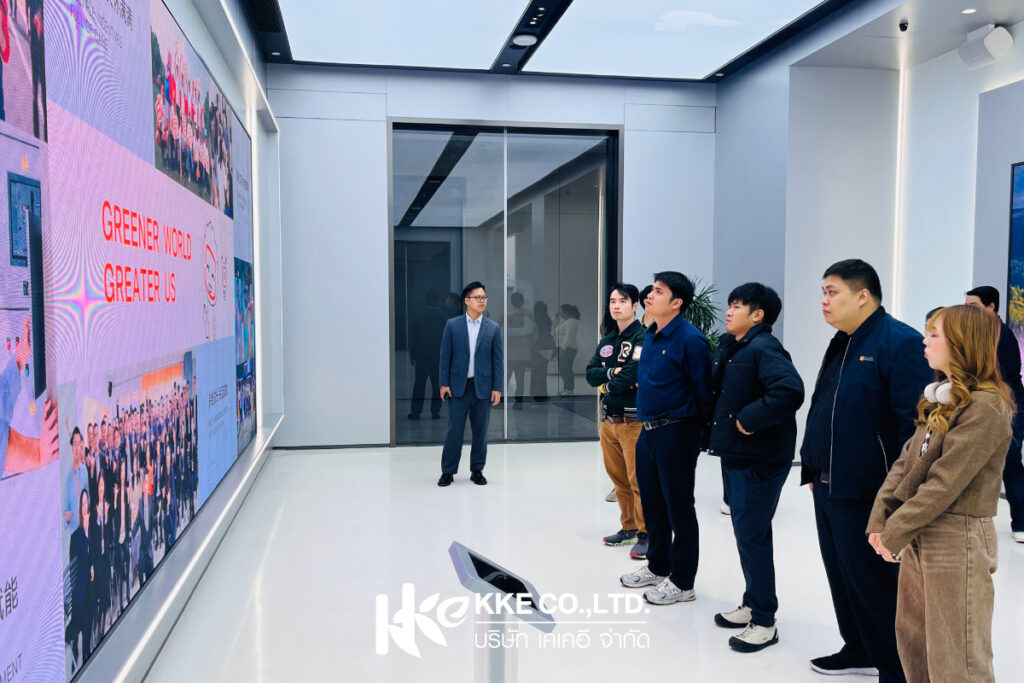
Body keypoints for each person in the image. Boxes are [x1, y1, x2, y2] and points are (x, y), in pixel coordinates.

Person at [800, 259, 932, 681]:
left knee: (875, 583)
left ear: (862, 296)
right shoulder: (843, 341)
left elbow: (912, 430)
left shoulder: (899, 343)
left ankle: (896, 667)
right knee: (843, 577)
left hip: (869, 490)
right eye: (822, 292)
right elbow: (827, 407)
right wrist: (812, 467)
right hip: (829, 485)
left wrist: (897, 497)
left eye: (832, 292)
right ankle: (858, 648)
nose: (824, 301)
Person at [867, 305, 1013, 683]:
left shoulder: (986, 407)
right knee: (915, 646)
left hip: (957, 539)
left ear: (962, 344)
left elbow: (944, 483)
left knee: (957, 659)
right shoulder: (941, 399)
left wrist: (896, 529)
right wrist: (881, 518)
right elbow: (907, 463)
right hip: (923, 532)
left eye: (935, 334)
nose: (925, 340)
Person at [706, 283, 803, 652]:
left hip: (760, 458)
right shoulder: (735, 346)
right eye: (730, 305)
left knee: (753, 536)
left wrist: (748, 419)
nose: (729, 311)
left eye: (737, 306)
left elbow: (789, 391)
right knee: (746, 534)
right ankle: (752, 603)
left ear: (758, 314)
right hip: (739, 453)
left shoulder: (764, 347)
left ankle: (764, 620)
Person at [619, 272, 712, 606]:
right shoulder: (651, 334)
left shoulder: (691, 341)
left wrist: (694, 436)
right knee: (652, 503)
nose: (649, 295)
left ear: (677, 303)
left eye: (658, 292)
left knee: (678, 508)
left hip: (677, 431)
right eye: (652, 289)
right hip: (648, 431)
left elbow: (704, 393)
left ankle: (683, 582)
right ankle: (658, 566)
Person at [586, 283, 648, 557]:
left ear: (635, 305)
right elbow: (590, 373)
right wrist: (613, 374)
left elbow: (633, 373)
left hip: (633, 421)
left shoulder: (642, 337)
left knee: (638, 480)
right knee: (618, 478)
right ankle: (628, 527)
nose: (616, 305)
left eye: (622, 301)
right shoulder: (607, 341)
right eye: (612, 301)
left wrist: (607, 381)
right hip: (608, 420)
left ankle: (646, 532)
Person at [965, 285, 1024, 542]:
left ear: (991, 307)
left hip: (1009, 408)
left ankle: (1021, 523)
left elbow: (1001, 375)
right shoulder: (981, 332)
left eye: (974, 307)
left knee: (1010, 464)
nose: (968, 312)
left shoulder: (1002, 336)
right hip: (992, 406)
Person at [437, 282, 503, 487]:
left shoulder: (493, 328)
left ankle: (477, 470)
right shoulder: (452, 325)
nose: (482, 301)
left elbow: (497, 361)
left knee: (480, 431)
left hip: (483, 388)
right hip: (458, 387)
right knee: (454, 431)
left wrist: (497, 387)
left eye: (484, 297)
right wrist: (444, 384)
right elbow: (445, 357)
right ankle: (448, 472)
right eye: (478, 297)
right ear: (467, 300)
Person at [407, 290, 446, 420]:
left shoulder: (419, 318)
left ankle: (416, 412)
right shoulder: (443, 318)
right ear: (438, 301)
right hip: (437, 357)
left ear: (426, 300)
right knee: (437, 385)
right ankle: (435, 412)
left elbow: (414, 338)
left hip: (422, 357)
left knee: (419, 384)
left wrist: (413, 355)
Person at [506, 292, 536, 408]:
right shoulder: (529, 316)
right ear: (522, 301)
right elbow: (535, 334)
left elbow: (502, 333)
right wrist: (528, 344)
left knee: (506, 378)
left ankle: (501, 401)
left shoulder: (507, 316)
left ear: (511, 302)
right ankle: (519, 403)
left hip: (510, 352)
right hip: (523, 353)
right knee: (520, 379)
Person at [554, 304, 580, 395]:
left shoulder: (571, 321)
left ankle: (569, 389)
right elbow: (556, 330)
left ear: (566, 312)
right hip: (562, 347)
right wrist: (556, 319)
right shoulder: (565, 321)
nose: (560, 313)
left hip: (568, 348)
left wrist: (563, 347)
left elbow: (569, 336)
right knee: (563, 369)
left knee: (566, 369)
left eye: (562, 311)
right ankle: (566, 388)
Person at [530, 301, 553, 402]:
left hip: (537, 347)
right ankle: (542, 394)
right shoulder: (547, 319)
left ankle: (537, 395)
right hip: (548, 348)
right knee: (542, 372)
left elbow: (533, 333)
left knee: (536, 372)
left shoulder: (535, 319)